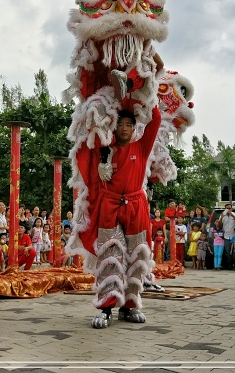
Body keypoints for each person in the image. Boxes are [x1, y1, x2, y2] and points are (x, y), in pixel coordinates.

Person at [66, 106, 161, 329]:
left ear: (135, 129)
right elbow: (91, 129)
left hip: (136, 205)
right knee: (110, 256)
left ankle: (129, 306)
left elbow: (155, 118)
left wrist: (148, 84)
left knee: (138, 256)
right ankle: (107, 308)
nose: (125, 128)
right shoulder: (104, 149)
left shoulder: (142, 146)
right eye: (120, 124)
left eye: (129, 125)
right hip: (109, 205)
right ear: (114, 127)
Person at [217, 204, 235, 270]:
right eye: (227, 208)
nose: (228, 209)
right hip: (226, 236)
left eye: (229, 208)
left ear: (231, 208)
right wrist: (222, 217)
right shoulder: (222, 215)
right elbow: (219, 224)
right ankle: (230, 265)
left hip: (234, 236)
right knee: (227, 252)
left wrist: (231, 214)